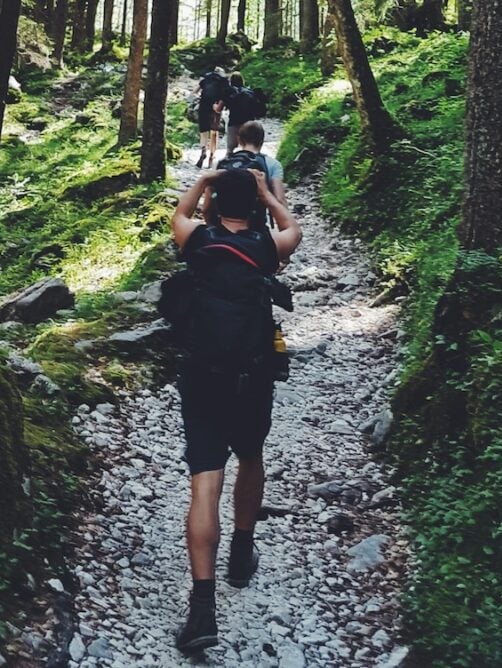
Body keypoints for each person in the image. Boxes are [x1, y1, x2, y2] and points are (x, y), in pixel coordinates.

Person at [169, 168, 302, 653]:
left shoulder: (198, 241)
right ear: (256, 207)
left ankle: (203, 608)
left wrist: (204, 181)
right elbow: (294, 230)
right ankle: (241, 553)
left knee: (205, 484)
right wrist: (270, 194)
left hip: (203, 377)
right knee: (250, 455)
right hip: (253, 376)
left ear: (216, 202)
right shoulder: (269, 249)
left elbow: (178, 214)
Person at [223, 73, 267, 155]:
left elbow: (221, 107)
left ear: (231, 81)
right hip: (248, 123)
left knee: (230, 149)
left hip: (234, 122)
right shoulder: (249, 92)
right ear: (242, 81)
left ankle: (228, 162)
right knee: (251, 145)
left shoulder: (229, 93)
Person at [194, 67, 229, 168]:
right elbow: (226, 95)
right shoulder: (223, 81)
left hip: (203, 106)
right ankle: (212, 156)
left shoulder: (206, 78)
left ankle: (203, 151)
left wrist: (200, 99)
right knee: (214, 132)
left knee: (203, 132)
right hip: (216, 107)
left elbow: (195, 92)